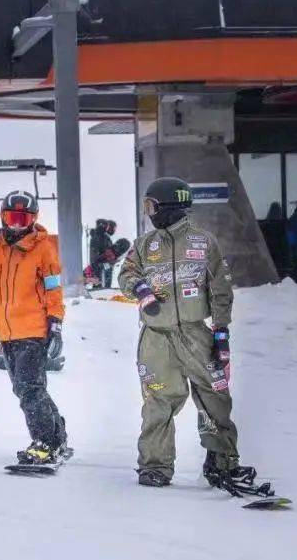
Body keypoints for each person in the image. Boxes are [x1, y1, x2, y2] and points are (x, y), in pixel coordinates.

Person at [119, 176, 258, 489]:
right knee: (158, 401)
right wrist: (141, 290)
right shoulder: (144, 245)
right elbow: (126, 274)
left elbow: (221, 289)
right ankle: (154, 466)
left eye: (152, 205)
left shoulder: (203, 242)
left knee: (215, 396)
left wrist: (221, 332)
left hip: (196, 334)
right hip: (156, 338)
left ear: (169, 206)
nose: (149, 212)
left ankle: (222, 461)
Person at [0, 191, 67, 465]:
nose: (17, 225)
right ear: (3, 217)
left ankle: (44, 442)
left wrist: (55, 322)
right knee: (26, 388)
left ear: (33, 219)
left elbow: (53, 288)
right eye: (12, 218)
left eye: (23, 219)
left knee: (29, 388)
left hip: (33, 329)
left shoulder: (43, 248)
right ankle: (57, 435)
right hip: (6, 331)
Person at [88, 219, 117, 289]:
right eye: (107, 227)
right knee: (105, 274)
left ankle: (101, 288)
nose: (107, 229)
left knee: (99, 278)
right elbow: (104, 251)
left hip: (98, 262)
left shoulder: (98, 236)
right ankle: (104, 289)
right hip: (101, 262)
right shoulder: (101, 237)